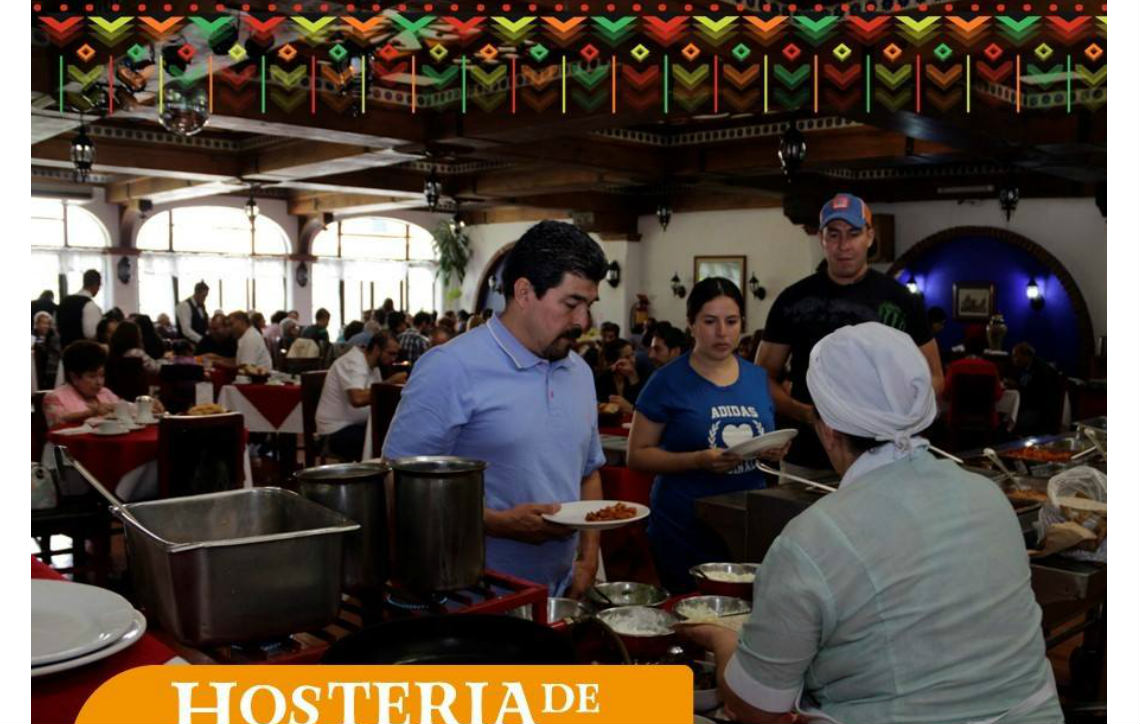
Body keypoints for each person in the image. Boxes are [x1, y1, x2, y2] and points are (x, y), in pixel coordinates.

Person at [679, 322, 1061, 724]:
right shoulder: (988, 496)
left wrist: (724, 642)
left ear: (827, 430)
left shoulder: (811, 540)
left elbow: (754, 707)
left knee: (638, 706)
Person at [383, 220, 609, 597]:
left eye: (589, 306)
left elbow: (588, 472)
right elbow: (396, 482)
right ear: (524, 292)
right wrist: (494, 522)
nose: (583, 322)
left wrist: (587, 560)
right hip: (471, 592)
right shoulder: (451, 367)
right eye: (572, 304)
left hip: (560, 588)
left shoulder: (580, 372)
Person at [755, 193, 943, 474]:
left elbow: (935, 377)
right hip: (809, 453)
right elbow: (762, 376)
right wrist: (807, 414)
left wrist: (898, 420)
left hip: (884, 455)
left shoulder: (901, 299)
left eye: (853, 234)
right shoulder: (793, 299)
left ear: (869, 236)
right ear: (822, 238)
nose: (843, 246)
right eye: (834, 235)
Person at [627, 278, 784, 593]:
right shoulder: (667, 381)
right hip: (683, 523)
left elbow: (762, 433)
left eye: (731, 321)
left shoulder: (756, 377)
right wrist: (697, 460)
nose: (722, 332)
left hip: (744, 519)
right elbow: (637, 455)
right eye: (710, 321)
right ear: (691, 324)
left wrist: (772, 448)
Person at [315, 331, 402, 461]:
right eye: (391, 353)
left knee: (395, 436)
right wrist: (389, 383)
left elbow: (376, 398)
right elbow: (357, 399)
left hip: (356, 426)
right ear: (377, 349)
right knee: (385, 442)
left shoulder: (375, 367)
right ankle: (375, 478)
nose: (393, 359)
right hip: (335, 431)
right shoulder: (353, 362)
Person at [43, 340, 121, 428]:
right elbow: (57, 423)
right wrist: (90, 413)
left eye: (102, 375)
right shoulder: (55, 397)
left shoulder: (106, 393)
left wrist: (118, 409)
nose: (99, 382)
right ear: (74, 377)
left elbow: (126, 410)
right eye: (92, 376)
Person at [942, 325, 1003, 429]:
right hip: (986, 421)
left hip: (957, 420)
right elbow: (997, 395)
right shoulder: (991, 368)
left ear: (965, 349)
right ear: (983, 351)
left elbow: (946, 394)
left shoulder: (955, 367)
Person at [1008, 342, 1065, 435]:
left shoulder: (1041, 370)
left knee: (1011, 420)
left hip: (1040, 412)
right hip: (1029, 407)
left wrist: (1017, 387)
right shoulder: (1024, 367)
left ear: (1026, 355)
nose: (1013, 359)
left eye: (1015, 356)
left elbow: (1036, 395)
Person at [56, 269, 103, 349]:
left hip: (65, 351)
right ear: (96, 285)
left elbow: (56, 327)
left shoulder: (64, 301)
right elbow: (91, 334)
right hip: (82, 353)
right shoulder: (89, 305)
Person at [594, 338, 643, 414]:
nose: (633, 360)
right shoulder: (602, 379)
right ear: (614, 362)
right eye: (627, 357)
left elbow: (643, 408)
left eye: (632, 354)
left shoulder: (641, 373)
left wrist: (633, 376)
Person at [33, 311, 61, 391]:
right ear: (36, 324)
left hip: (50, 372)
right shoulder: (32, 336)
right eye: (43, 323)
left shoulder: (54, 337)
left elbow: (55, 354)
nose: (46, 326)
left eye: (48, 323)